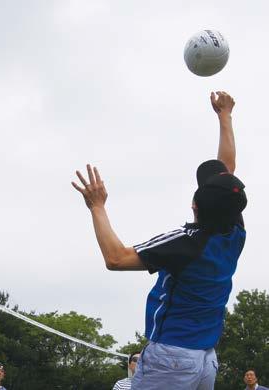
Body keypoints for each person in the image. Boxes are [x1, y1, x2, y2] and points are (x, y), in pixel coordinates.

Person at [72, 91, 247, 390]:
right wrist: (225, 118)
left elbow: (116, 258)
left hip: (171, 358)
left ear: (195, 205)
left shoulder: (184, 243)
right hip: (206, 358)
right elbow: (227, 171)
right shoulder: (236, 231)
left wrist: (97, 206)